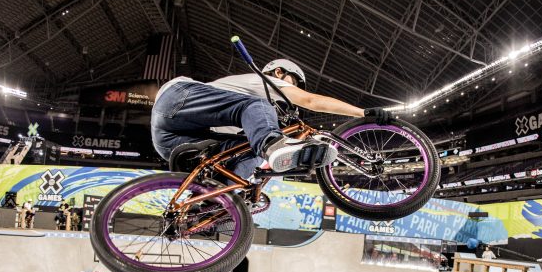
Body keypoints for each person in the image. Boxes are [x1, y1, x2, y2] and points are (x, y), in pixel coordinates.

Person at [150, 59, 394, 178]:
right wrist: (361, 113)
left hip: (175, 144)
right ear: (279, 73)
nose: (292, 90)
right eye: (294, 83)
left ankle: (213, 204)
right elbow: (310, 101)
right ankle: (272, 145)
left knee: (249, 153)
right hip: (177, 99)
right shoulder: (266, 83)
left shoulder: (250, 115)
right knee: (257, 106)